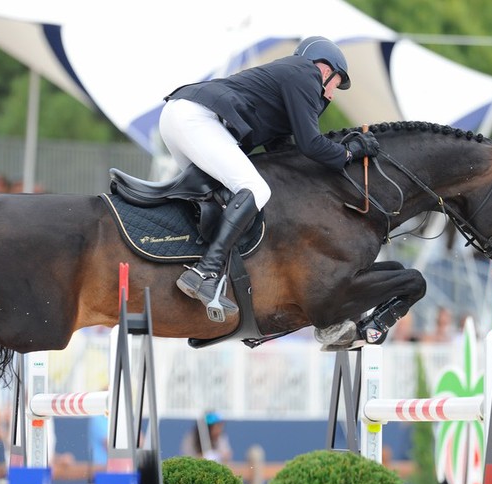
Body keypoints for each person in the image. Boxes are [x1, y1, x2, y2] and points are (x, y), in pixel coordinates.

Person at [159, 36, 379, 320]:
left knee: (217, 197)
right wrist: (350, 152)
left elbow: (286, 153)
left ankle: (191, 268)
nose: (332, 94)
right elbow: (310, 144)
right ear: (326, 70)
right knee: (255, 190)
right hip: (196, 119)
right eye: (337, 83)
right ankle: (205, 272)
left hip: (182, 116)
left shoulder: (288, 81)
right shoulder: (306, 74)